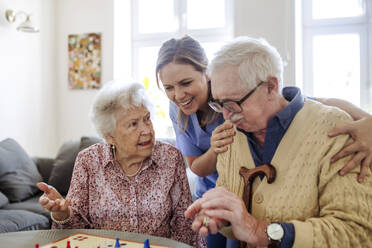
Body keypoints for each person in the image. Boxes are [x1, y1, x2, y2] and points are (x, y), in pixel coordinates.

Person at [156, 35, 372, 248]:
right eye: (219, 104)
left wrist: (260, 231)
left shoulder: (333, 131)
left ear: (271, 87)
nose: (226, 117)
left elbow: (356, 232)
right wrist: (223, 218)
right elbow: (230, 205)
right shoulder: (230, 134)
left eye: (233, 103)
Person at [37, 81, 205, 247]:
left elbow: (184, 222)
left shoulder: (170, 157)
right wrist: (62, 213)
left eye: (147, 119)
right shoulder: (88, 160)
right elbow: (76, 230)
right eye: (133, 124)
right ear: (110, 136)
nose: (146, 130)